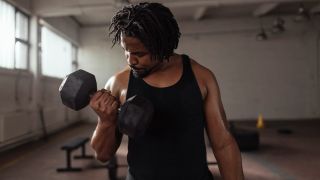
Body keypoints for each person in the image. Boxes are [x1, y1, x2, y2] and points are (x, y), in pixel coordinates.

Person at [89, 2, 244, 180]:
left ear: (163, 47)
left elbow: (223, 144)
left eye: (139, 54)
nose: (130, 60)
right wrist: (105, 122)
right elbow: (102, 155)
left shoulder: (201, 77)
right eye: (126, 51)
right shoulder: (119, 83)